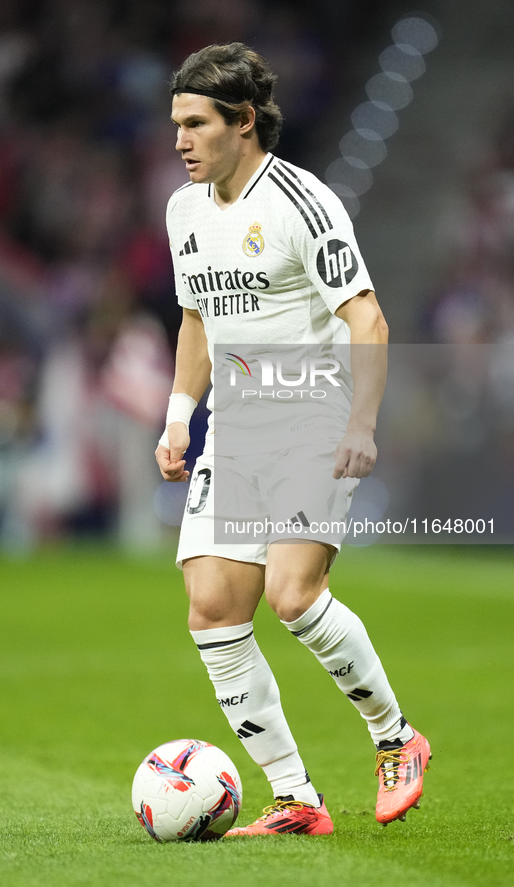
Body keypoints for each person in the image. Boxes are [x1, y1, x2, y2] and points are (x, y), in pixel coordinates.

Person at [155, 42, 430, 835]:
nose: (179, 140)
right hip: (235, 428)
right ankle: (294, 797)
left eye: (195, 123)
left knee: (292, 594)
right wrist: (178, 418)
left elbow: (366, 317)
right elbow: (197, 319)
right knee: (211, 606)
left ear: (243, 122)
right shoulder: (184, 210)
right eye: (175, 123)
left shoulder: (301, 203)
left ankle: (395, 736)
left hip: (311, 412)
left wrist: (360, 425)